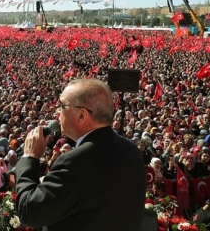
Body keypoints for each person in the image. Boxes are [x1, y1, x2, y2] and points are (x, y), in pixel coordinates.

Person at [15, 79, 146, 230]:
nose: (57, 113)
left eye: (62, 106)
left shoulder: (76, 162)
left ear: (82, 116)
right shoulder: (131, 150)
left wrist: (30, 157)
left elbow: (29, 212)